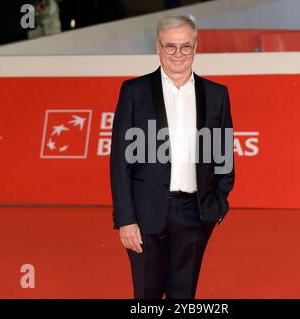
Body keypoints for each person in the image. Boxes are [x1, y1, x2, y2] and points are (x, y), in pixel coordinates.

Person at [110, 15, 235, 299]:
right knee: (147, 295)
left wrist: (217, 205)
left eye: (185, 47)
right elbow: (119, 162)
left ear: (196, 48)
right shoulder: (134, 91)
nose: (178, 54)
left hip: (195, 213)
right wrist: (126, 219)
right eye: (170, 46)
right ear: (157, 47)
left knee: (184, 296)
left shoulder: (216, 95)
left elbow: (224, 155)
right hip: (143, 215)